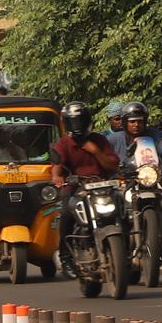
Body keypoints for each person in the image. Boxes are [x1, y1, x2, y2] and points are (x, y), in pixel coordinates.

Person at [109, 101, 162, 270]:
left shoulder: (154, 135)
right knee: (110, 203)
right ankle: (114, 238)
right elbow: (102, 154)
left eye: (139, 121)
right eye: (132, 121)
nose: (136, 125)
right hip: (124, 183)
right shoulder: (114, 139)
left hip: (149, 180)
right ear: (125, 123)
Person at [50, 101, 122, 276]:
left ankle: (127, 248)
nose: (78, 126)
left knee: (124, 208)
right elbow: (56, 167)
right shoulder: (63, 144)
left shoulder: (99, 140)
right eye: (74, 121)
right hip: (76, 189)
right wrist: (57, 178)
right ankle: (66, 257)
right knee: (66, 213)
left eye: (80, 121)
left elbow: (113, 166)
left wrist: (96, 151)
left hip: (103, 187)